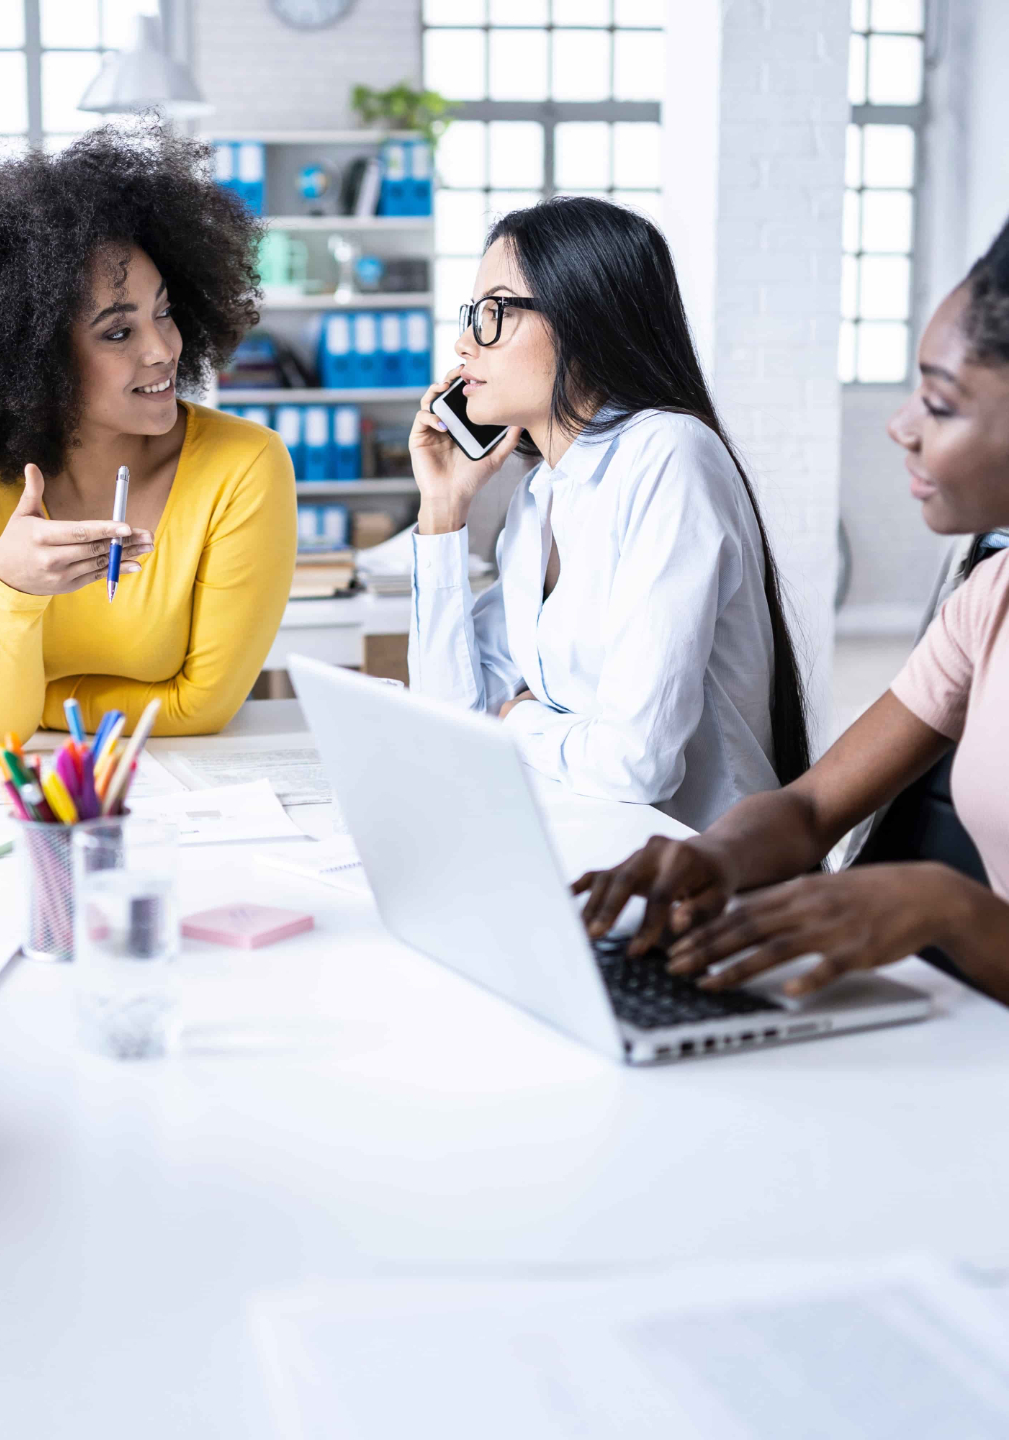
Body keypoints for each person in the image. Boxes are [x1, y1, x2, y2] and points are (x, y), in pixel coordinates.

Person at [575, 218, 1009, 1006]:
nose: (900, 425)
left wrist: (951, 910)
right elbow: (811, 808)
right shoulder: (991, 596)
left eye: (940, 405)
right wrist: (714, 856)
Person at [408, 196, 810, 831]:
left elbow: (637, 765)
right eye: (471, 315)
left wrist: (518, 719)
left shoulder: (669, 454)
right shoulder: (541, 496)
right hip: (590, 836)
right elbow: (449, 714)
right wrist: (443, 508)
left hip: (697, 871)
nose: (464, 344)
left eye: (494, 313)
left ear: (584, 319)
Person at [0, 122, 295, 751]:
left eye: (165, 311)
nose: (163, 350)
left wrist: (39, 699)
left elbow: (202, 706)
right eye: (118, 333)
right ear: (34, 357)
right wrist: (9, 585)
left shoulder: (244, 466)